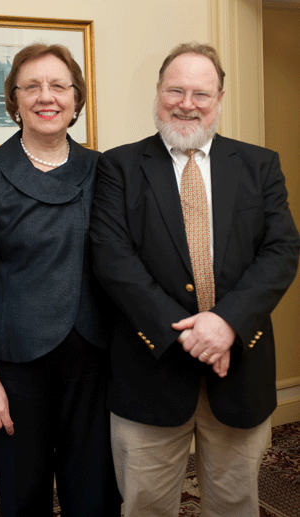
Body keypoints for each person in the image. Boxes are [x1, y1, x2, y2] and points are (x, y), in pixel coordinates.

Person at [90, 42, 300, 517]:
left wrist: (225, 323)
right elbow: (113, 260)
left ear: (220, 98)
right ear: (158, 93)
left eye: (201, 93)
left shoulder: (259, 165)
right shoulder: (118, 168)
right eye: (176, 90)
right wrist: (190, 337)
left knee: (235, 504)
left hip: (239, 369)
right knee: (145, 506)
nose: (187, 103)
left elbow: (281, 250)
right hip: (151, 369)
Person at [0, 43, 120, 517]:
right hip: (15, 366)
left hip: (94, 362)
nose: (47, 96)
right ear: (15, 100)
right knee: (23, 499)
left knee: (96, 497)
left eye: (59, 86)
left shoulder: (102, 169)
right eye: (32, 86)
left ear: (75, 98)